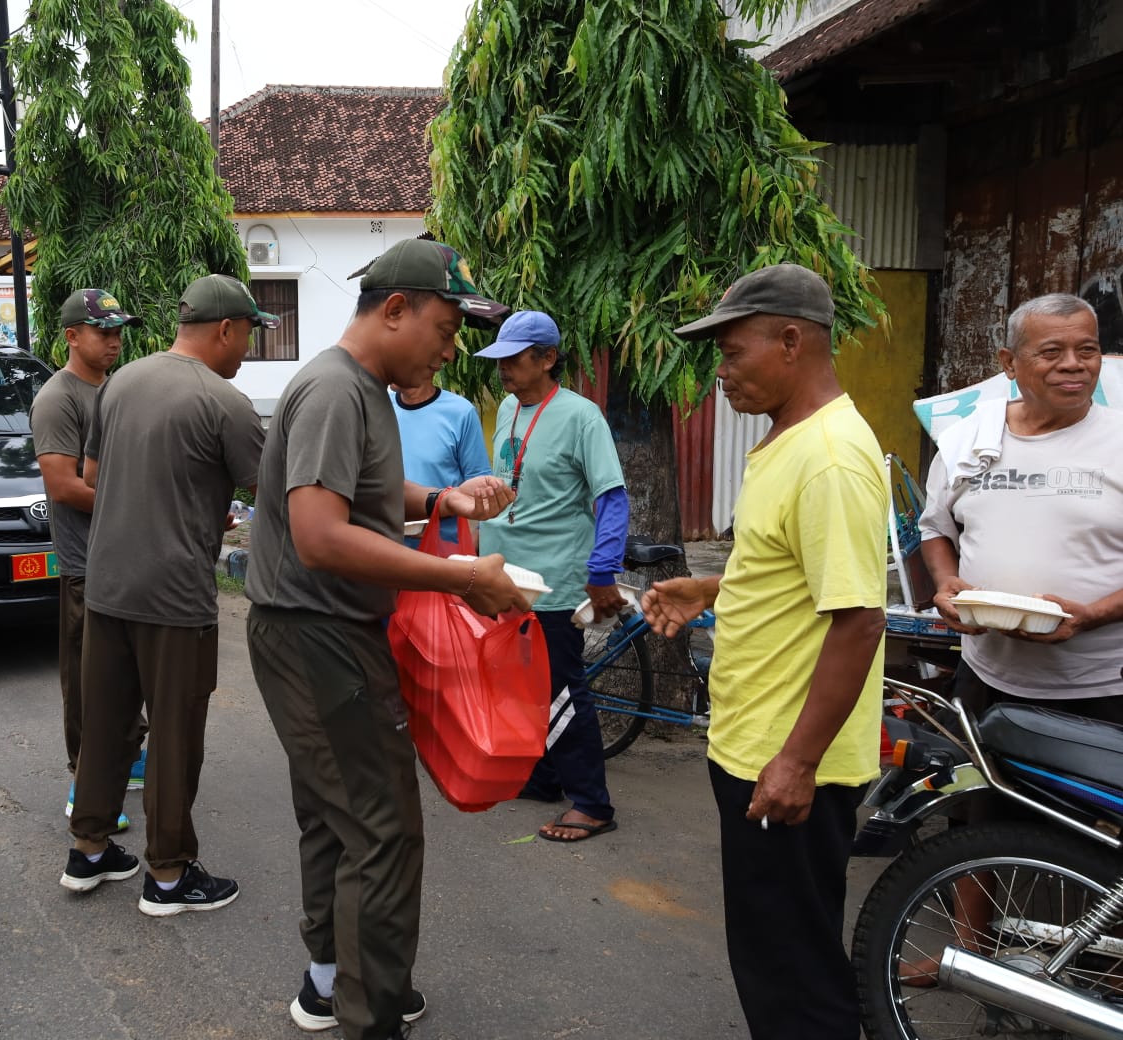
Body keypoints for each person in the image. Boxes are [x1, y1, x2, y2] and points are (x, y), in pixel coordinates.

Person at [246, 238, 529, 1040]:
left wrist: (444, 499)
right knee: (382, 828)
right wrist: (465, 579)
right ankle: (370, 1014)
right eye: (445, 327)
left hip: (318, 628)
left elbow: (361, 486)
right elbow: (320, 534)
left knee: (340, 816)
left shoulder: (362, 388)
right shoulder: (337, 390)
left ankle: (337, 977)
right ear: (395, 309)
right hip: (319, 633)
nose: (452, 347)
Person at [641, 263, 887, 1039]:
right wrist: (711, 591)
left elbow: (858, 621)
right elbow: (793, 575)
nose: (721, 372)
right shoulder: (788, 442)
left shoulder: (831, 460)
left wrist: (797, 761)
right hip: (752, 745)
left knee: (795, 978)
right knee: (770, 954)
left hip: (786, 757)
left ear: (790, 340)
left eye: (733, 351)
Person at [905, 292, 1123, 984]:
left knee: (1103, 833)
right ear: (1008, 363)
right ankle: (969, 955)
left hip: (1103, 682)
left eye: (1085, 350)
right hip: (990, 672)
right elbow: (935, 527)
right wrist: (943, 584)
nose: (1073, 365)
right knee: (977, 815)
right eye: (1051, 351)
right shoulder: (972, 440)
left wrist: (1090, 616)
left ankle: (1102, 976)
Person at [61, 274, 269, 915]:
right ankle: (170, 877)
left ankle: (89, 851)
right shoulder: (225, 401)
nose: (248, 352)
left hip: (107, 584)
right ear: (226, 329)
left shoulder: (121, 383)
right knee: (176, 735)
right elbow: (276, 493)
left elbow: (94, 475)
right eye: (249, 336)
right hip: (174, 596)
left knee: (105, 725)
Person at [474, 309, 629, 842]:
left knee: (562, 690)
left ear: (546, 358)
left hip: (555, 580)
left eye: (513, 360)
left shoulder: (581, 416)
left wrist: (602, 567)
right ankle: (543, 779)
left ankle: (592, 804)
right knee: (522, 685)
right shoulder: (513, 410)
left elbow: (611, 496)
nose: (503, 371)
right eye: (499, 362)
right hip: (509, 578)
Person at [30, 288, 147, 834]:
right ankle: (86, 785)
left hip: (128, 555)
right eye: (103, 332)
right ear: (72, 335)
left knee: (131, 671)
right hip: (85, 564)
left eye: (119, 330)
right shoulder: (59, 398)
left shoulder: (119, 390)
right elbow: (63, 485)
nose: (114, 341)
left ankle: (130, 755)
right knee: (88, 682)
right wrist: (148, 511)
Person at [390, 369, 491, 551]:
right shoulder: (379, 407)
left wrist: (474, 543)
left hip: (442, 547)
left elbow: (481, 484)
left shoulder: (460, 412)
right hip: (387, 544)